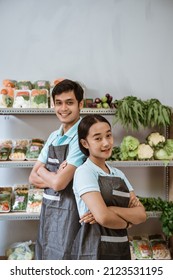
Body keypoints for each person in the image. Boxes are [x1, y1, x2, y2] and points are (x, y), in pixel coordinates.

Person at [72, 114, 147, 260]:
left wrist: (112, 210)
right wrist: (128, 223)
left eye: (109, 136)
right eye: (98, 138)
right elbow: (104, 218)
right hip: (94, 251)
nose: (106, 143)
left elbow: (141, 214)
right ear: (85, 143)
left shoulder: (119, 173)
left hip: (121, 248)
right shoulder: (85, 172)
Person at [29, 79, 86, 260]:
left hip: (73, 212)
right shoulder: (54, 135)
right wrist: (54, 176)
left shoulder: (83, 135)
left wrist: (47, 174)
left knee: (68, 259)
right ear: (53, 104)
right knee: (47, 256)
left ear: (80, 104)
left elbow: (60, 184)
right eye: (59, 103)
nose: (63, 108)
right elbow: (32, 177)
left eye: (69, 102)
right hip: (49, 210)